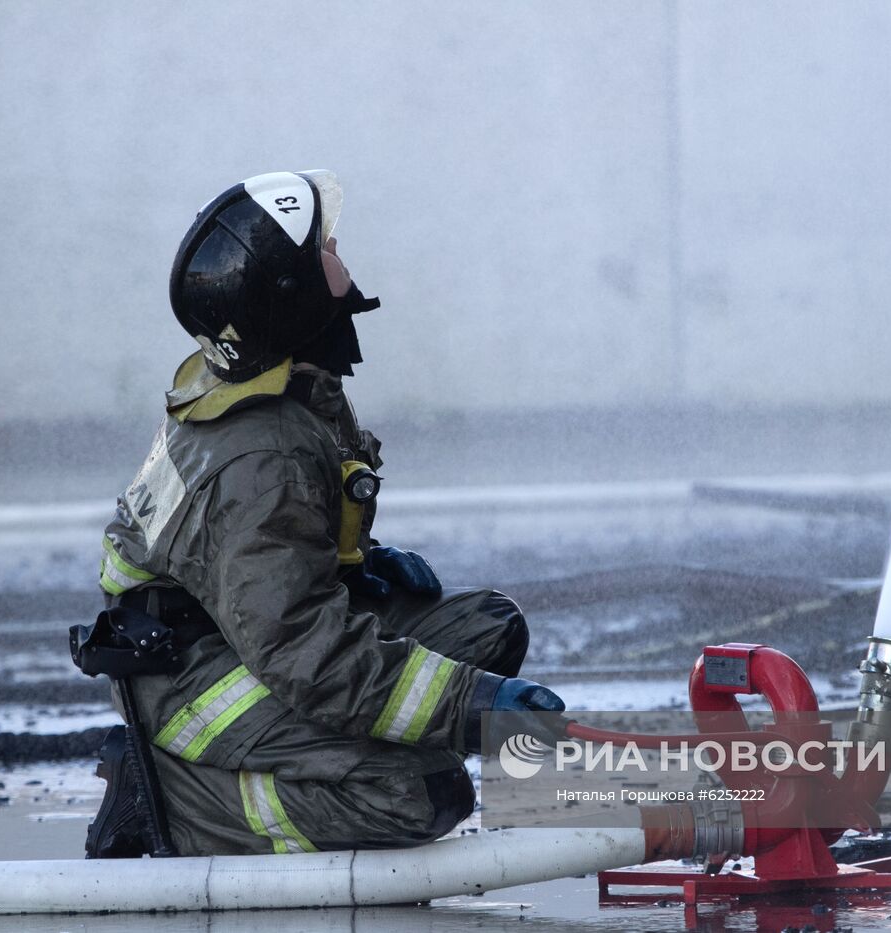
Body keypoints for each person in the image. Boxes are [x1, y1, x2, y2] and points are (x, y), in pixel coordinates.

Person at [84, 170, 567, 857]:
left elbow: (246, 559)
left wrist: (352, 562)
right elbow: (303, 649)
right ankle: (177, 800)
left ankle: (337, 748)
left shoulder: (282, 383)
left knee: (487, 631)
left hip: (232, 625)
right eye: (325, 252)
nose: (342, 257)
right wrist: (472, 705)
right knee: (424, 792)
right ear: (292, 297)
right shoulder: (264, 453)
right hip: (192, 676)